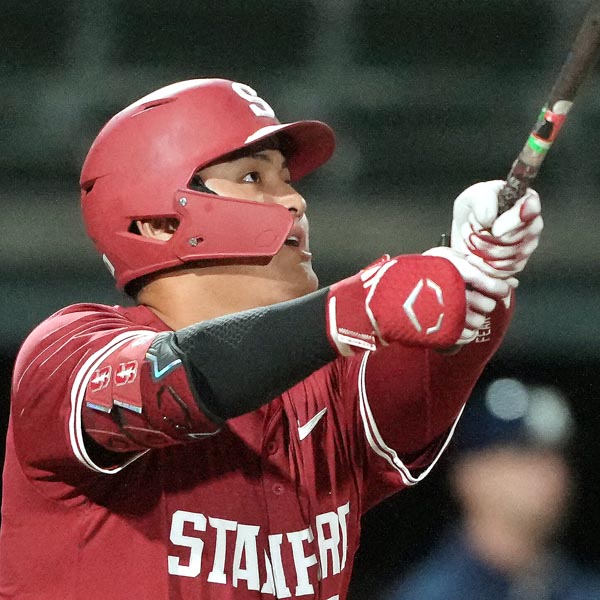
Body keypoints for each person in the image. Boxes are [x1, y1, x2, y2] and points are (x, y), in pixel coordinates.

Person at [0, 78, 543, 599]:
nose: (295, 201)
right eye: (253, 177)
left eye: (286, 178)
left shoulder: (329, 390)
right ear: (159, 223)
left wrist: (478, 273)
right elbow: (168, 381)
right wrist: (347, 309)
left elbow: (430, 365)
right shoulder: (65, 350)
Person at [384, 378, 600, 600]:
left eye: (557, 456)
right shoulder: (431, 593)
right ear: (469, 474)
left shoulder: (584, 589)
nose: (550, 472)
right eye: (522, 454)